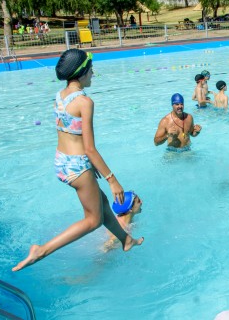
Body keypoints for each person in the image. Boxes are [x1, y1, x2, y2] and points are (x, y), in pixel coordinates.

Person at [13, 49, 143, 272]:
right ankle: (42, 250)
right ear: (82, 72)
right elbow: (90, 148)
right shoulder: (85, 102)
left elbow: (67, 132)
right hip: (78, 165)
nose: (93, 73)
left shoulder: (60, 95)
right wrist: (113, 180)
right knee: (92, 220)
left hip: (61, 161)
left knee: (101, 205)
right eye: (90, 69)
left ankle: (125, 240)